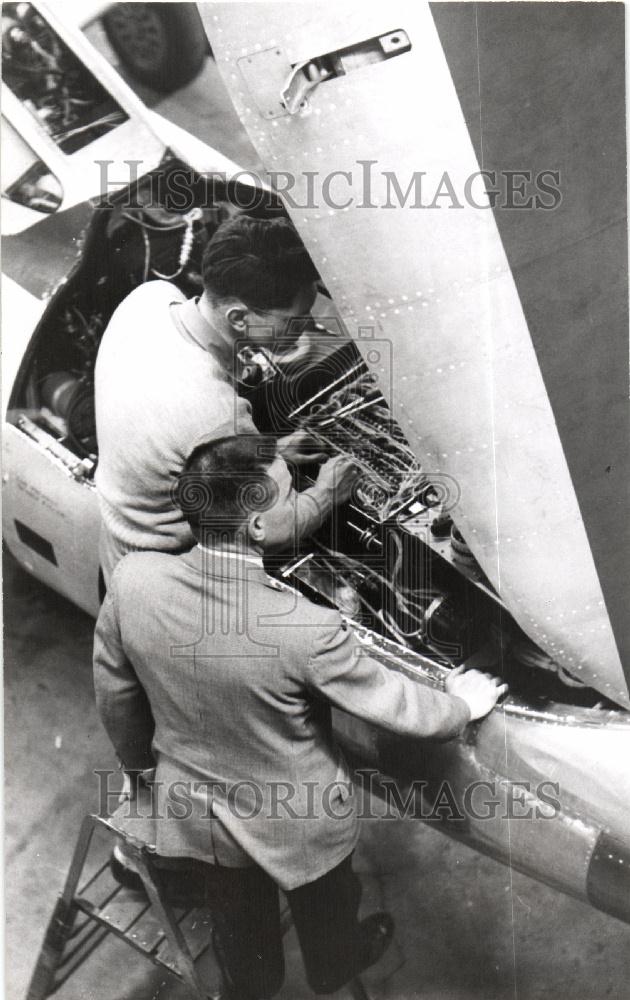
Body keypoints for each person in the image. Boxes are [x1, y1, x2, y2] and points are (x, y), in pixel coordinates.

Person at [93, 435, 508, 998]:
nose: (298, 498)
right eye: (290, 492)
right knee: (331, 911)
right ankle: (335, 967)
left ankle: (253, 984)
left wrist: (143, 768)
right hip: (302, 825)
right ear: (258, 528)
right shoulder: (306, 629)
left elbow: (116, 695)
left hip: (201, 821)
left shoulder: (133, 582)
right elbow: (395, 706)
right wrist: (460, 702)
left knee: (241, 934)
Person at [94, 214, 355, 586]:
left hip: (120, 538)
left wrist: (271, 451)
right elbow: (272, 529)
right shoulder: (213, 411)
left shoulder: (150, 298)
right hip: (169, 569)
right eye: (294, 321)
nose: (304, 330)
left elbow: (174, 440)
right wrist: (328, 491)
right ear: (237, 317)